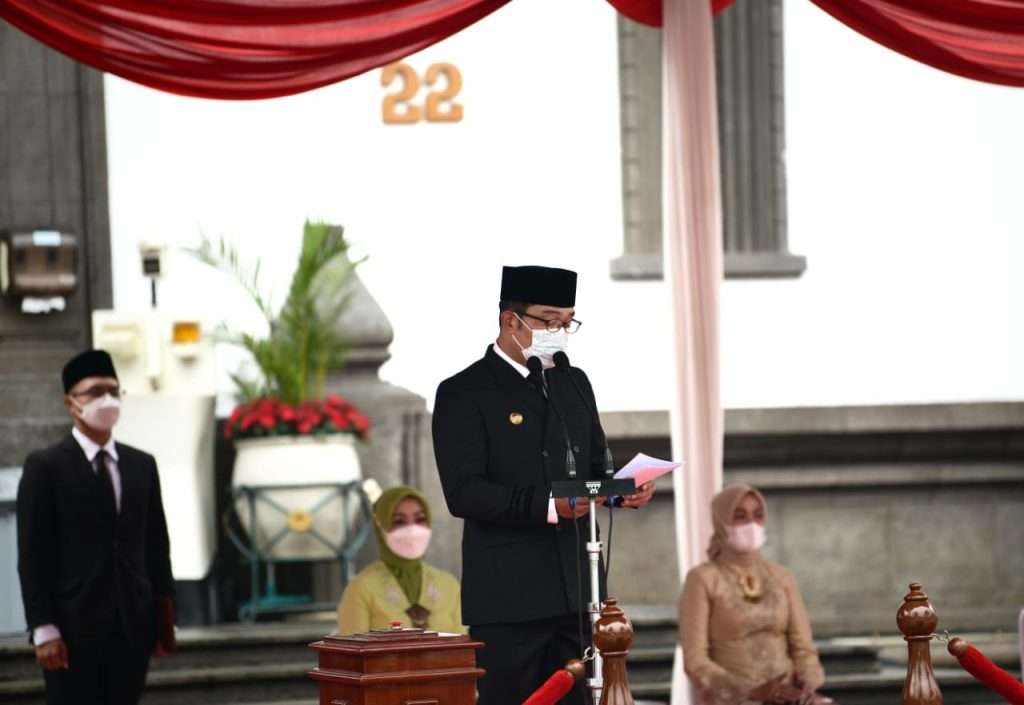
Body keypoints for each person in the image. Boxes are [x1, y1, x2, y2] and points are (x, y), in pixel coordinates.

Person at [432, 265, 656, 705]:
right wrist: (548, 506)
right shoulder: (464, 391)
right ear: (510, 321)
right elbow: (464, 492)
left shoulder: (573, 382)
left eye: (567, 322)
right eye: (549, 321)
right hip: (509, 598)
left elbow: (594, 468)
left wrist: (622, 490)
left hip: (578, 591)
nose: (559, 333)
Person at [16, 349, 176, 705]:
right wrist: (44, 629)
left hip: (132, 626)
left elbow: (156, 545)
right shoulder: (46, 467)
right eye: (95, 392)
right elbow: (33, 555)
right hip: (72, 628)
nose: (107, 400)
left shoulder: (141, 465)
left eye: (113, 390)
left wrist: (164, 619)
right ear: (71, 403)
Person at [680, 484, 830, 705]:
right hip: (732, 699)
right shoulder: (703, 579)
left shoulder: (781, 577)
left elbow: (804, 648)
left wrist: (808, 682)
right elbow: (695, 661)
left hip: (788, 696)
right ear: (721, 521)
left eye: (758, 516)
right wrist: (750, 691)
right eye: (740, 516)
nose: (751, 524)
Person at [336, 485, 464, 634]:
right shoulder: (361, 588)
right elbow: (351, 646)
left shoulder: (449, 586)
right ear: (381, 527)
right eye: (399, 521)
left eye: (420, 519)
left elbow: (464, 645)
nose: (412, 529)